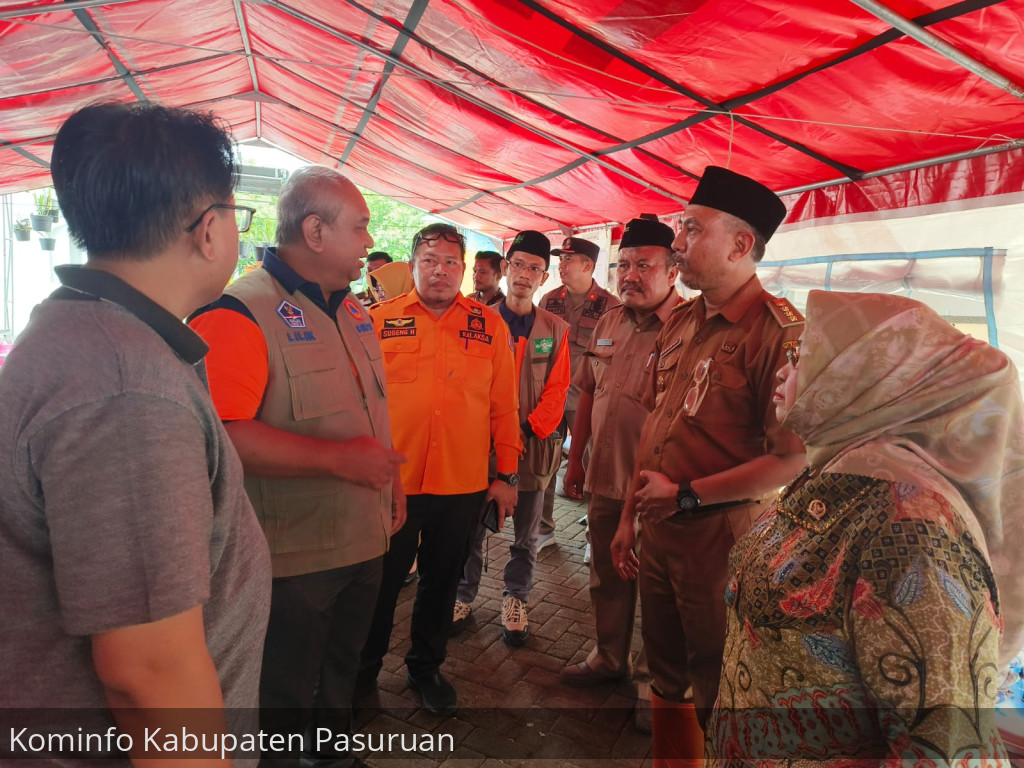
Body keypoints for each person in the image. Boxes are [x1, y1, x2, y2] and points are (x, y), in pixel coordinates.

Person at [0, 103, 271, 764]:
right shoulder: (126, 385)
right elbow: (148, 675)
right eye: (237, 215)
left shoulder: (98, 336)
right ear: (209, 230)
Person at [707, 290, 1024, 764]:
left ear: (871, 379)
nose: (781, 369)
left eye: (800, 355)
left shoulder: (912, 531)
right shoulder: (843, 473)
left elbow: (943, 745)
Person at [190, 166, 406, 768]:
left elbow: (373, 412)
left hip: (363, 539)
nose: (369, 242)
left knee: (341, 674)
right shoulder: (239, 312)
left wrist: (393, 486)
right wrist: (341, 461)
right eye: (359, 228)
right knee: (282, 697)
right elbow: (223, 436)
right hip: (292, 559)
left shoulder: (356, 311)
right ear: (314, 231)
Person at [609, 166, 806, 761]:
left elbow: (790, 461)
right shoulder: (687, 320)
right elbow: (655, 424)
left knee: (722, 683)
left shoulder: (778, 333)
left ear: (742, 245)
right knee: (666, 674)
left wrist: (686, 495)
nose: (678, 243)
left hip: (721, 541)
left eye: (692, 231)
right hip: (661, 530)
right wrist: (628, 517)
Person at [358, 222, 521, 717]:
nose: (441, 271)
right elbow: (359, 404)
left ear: (464, 270)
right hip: (394, 485)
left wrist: (506, 476)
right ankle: (362, 677)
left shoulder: (488, 325)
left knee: (441, 582)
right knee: (381, 585)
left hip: (462, 484)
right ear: (412, 265)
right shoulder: (378, 321)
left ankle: (425, 669)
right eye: (430, 260)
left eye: (452, 262)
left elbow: (504, 407)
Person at [559, 216, 682, 732]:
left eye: (644, 265)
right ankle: (608, 657)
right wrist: (576, 456)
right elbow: (587, 389)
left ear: (673, 271)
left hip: (656, 486)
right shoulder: (608, 320)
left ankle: (651, 681)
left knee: (657, 587)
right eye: (624, 264)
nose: (631, 274)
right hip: (606, 475)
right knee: (605, 575)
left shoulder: (689, 326)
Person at [454, 230, 570, 645]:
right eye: (517, 264)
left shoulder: (555, 328)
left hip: (534, 447)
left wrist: (524, 429)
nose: (524, 274)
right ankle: (463, 594)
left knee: (527, 534)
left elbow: (558, 388)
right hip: (480, 444)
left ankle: (516, 598)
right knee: (473, 526)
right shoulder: (476, 319)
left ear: (544, 276)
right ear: (506, 269)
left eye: (534, 268)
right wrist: (492, 429)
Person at [537, 236, 621, 548]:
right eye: (560, 260)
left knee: (594, 464)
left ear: (587, 265)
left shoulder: (610, 306)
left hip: (590, 396)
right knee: (544, 462)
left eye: (568, 260)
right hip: (552, 394)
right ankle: (542, 529)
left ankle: (592, 537)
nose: (561, 266)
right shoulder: (548, 300)